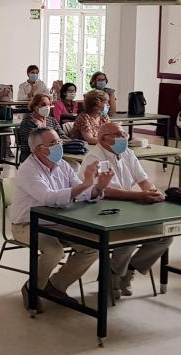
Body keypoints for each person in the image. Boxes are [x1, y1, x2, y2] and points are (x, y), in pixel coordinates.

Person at [8, 128, 112, 304]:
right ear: (39, 149)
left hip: (59, 222)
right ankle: (32, 288)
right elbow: (48, 198)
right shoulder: (28, 170)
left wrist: (98, 188)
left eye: (59, 142)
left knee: (93, 246)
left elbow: (80, 192)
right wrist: (85, 184)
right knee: (54, 251)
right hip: (27, 225)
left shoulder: (63, 165)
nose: (59, 146)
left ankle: (56, 286)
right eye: (54, 143)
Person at [87, 121, 172, 297]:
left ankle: (130, 269)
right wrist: (138, 197)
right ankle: (112, 275)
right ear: (104, 139)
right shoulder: (95, 158)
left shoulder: (127, 153)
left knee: (165, 234)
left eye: (124, 134)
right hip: (103, 211)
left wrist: (153, 192)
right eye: (118, 135)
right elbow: (106, 192)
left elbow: (143, 180)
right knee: (130, 236)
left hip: (129, 207)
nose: (124, 138)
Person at [17, 93, 60, 161]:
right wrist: (53, 143)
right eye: (43, 105)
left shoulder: (51, 120)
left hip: (52, 153)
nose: (47, 107)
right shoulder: (28, 122)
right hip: (31, 156)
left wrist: (59, 142)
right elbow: (31, 142)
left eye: (49, 105)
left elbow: (62, 135)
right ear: (35, 107)